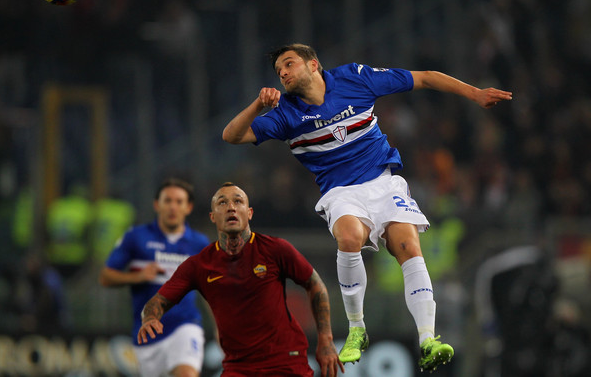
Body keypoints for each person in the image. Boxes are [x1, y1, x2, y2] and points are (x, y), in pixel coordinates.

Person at [222, 43, 513, 371]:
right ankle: (357, 328)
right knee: (348, 237)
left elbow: (426, 78)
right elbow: (231, 135)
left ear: (314, 65)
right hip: (340, 192)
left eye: (289, 64)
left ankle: (428, 339)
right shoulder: (285, 115)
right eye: (279, 72)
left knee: (408, 245)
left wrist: (474, 94)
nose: (284, 73)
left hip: (383, 182)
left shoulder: (355, 78)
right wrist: (257, 105)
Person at [137, 182, 344, 377]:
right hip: (238, 367)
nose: (231, 207)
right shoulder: (198, 265)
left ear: (249, 213)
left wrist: (325, 340)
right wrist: (150, 318)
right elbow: (157, 302)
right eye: (222, 203)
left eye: (238, 201)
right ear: (212, 216)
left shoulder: (275, 249)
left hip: (286, 362)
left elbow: (315, 284)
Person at [99, 178, 210, 377]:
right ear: (156, 205)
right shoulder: (135, 237)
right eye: (167, 201)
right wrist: (138, 277)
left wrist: (222, 327)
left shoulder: (199, 244)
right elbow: (106, 277)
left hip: (185, 326)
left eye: (179, 201)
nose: (173, 207)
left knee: (187, 373)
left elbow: (212, 290)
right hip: (147, 333)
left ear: (189, 207)